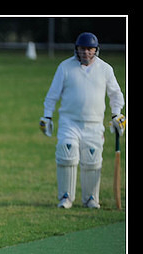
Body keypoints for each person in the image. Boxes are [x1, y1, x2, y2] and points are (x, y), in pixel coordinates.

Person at [40, 32, 125, 209]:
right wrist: (47, 115)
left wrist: (116, 115)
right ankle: (66, 197)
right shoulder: (65, 67)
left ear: (96, 50)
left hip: (94, 124)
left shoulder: (105, 69)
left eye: (89, 49)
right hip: (69, 122)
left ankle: (91, 198)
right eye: (82, 49)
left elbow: (116, 95)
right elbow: (52, 95)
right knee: (66, 154)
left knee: (93, 160)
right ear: (76, 49)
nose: (86, 52)